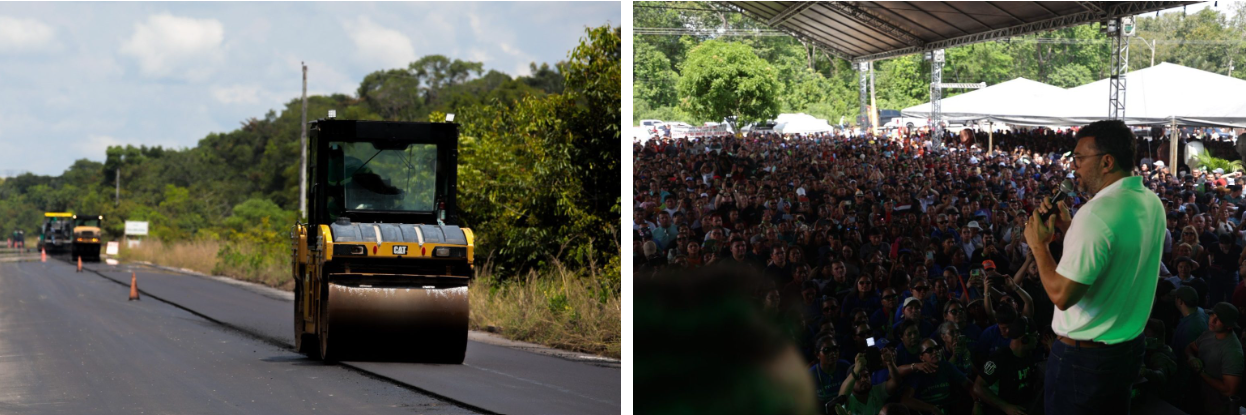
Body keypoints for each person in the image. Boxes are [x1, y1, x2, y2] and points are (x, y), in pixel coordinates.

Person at [1024, 120, 1164, 414]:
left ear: (1107, 162)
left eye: (1079, 158)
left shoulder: (1095, 214)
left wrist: (1039, 246)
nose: (1073, 167)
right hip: (1127, 350)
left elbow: (1062, 295)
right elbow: (1113, 258)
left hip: (1084, 361)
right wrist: (1070, 229)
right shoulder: (1151, 202)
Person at [974, 316, 1043, 415]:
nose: (1037, 339)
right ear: (1025, 339)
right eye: (1035, 335)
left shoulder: (1028, 355)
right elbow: (978, 386)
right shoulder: (999, 358)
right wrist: (1005, 406)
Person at [1185, 302, 1244, 415]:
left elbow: (1229, 390)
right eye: (1212, 315)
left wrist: (1201, 372)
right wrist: (1191, 358)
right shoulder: (1210, 333)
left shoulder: (1232, 351)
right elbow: (1190, 347)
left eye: (1219, 319)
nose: (1212, 320)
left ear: (1229, 326)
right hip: (1198, 400)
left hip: (1217, 409)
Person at [901, 338, 974, 415]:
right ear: (922, 357)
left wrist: (977, 402)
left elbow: (969, 385)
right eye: (930, 350)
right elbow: (905, 400)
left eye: (937, 348)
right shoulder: (918, 373)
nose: (935, 351)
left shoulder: (946, 366)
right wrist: (932, 409)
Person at [810, 335, 851, 407]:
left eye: (835, 349)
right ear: (817, 355)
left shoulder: (845, 366)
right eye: (826, 350)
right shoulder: (811, 374)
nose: (832, 353)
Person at [1171, 286, 1209, 354]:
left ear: (1180, 301)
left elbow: (1187, 355)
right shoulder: (1200, 310)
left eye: (1175, 298)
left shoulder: (1190, 328)